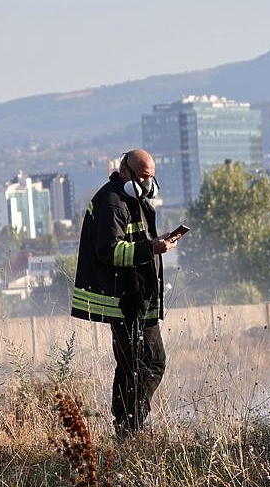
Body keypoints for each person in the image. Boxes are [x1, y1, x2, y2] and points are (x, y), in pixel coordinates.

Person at [71, 149, 179, 439]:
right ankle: (129, 429)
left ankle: (131, 425)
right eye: (144, 177)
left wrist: (157, 244)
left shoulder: (135, 200)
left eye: (152, 177)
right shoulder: (111, 202)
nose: (148, 183)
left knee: (152, 361)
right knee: (133, 364)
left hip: (139, 297)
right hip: (123, 301)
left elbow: (138, 241)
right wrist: (151, 248)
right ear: (125, 172)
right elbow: (109, 251)